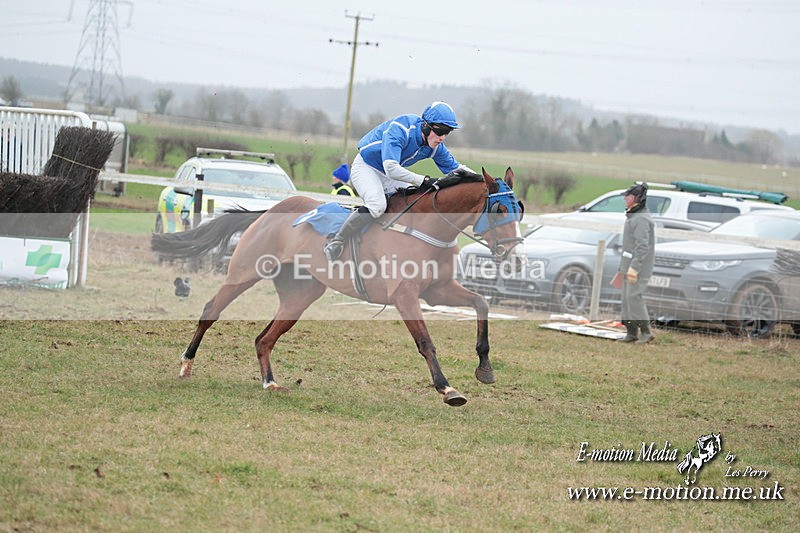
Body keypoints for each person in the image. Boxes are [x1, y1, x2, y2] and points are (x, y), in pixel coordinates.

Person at [323, 101, 473, 261]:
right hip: (366, 167)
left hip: (389, 174)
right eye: (440, 131)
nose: (442, 138)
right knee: (377, 205)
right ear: (425, 125)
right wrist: (424, 180)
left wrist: (483, 181)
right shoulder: (401, 129)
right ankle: (337, 241)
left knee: (416, 201)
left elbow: (456, 169)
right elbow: (391, 168)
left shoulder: (434, 146)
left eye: (447, 132)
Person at [618, 182, 656, 343]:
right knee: (626, 299)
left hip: (638, 267)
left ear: (635, 198)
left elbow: (642, 246)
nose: (625, 199)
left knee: (634, 297)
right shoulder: (633, 215)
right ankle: (631, 332)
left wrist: (634, 267)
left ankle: (646, 332)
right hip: (628, 265)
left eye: (628, 196)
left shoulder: (641, 219)